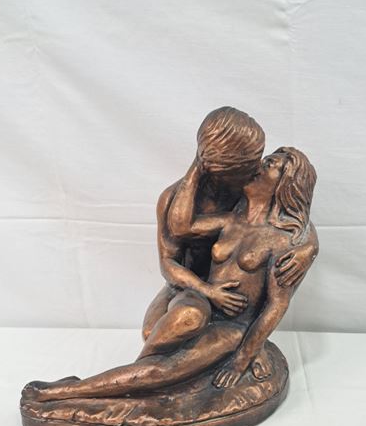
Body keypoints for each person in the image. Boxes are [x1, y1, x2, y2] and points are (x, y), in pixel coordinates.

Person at [23, 145, 317, 401]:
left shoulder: (285, 241)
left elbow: (276, 305)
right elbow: (181, 226)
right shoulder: (232, 218)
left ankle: (66, 391)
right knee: (160, 338)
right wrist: (199, 164)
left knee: (161, 370)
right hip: (203, 300)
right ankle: (128, 381)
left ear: (285, 186)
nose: (258, 167)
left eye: (270, 165)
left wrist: (242, 358)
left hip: (232, 327)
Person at [139, 107, 318, 370]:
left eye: (259, 159)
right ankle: (158, 375)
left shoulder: (245, 189)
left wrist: (310, 247)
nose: (257, 166)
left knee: (186, 338)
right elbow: (172, 251)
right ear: (224, 163)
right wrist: (207, 291)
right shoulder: (171, 200)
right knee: (155, 334)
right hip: (185, 287)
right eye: (250, 160)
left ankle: (212, 357)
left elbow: (288, 211)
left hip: (231, 311)